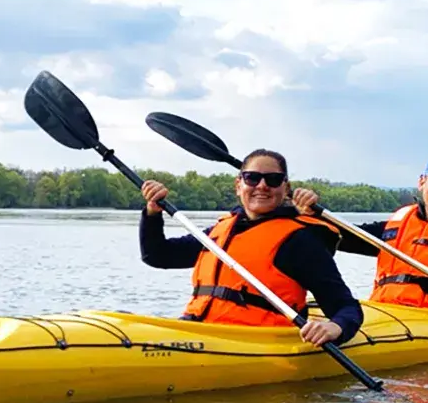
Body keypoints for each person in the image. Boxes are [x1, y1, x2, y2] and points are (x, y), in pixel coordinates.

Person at [139, 148, 364, 347]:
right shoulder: (219, 231)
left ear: (285, 188)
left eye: (273, 180)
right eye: (252, 178)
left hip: (256, 342)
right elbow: (157, 255)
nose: (262, 186)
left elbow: (345, 306)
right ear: (239, 185)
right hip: (199, 331)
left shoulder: (300, 241)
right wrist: (152, 212)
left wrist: (336, 327)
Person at [291, 153, 428, 321]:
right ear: (421, 182)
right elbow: (340, 236)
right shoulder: (396, 223)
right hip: (385, 313)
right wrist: (309, 214)